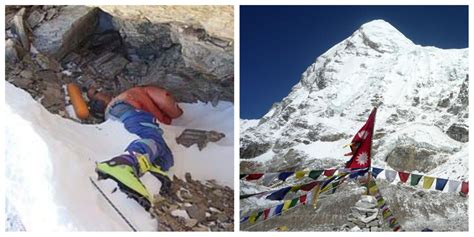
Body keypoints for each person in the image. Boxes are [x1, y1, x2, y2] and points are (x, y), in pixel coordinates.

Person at [88, 85, 183, 211]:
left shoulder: (111, 108)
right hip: (126, 110)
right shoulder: (133, 92)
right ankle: (123, 164)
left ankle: (149, 167)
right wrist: (178, 112)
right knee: (154, 141)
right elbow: (164, 98)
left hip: (118, 117)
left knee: (166, 159)